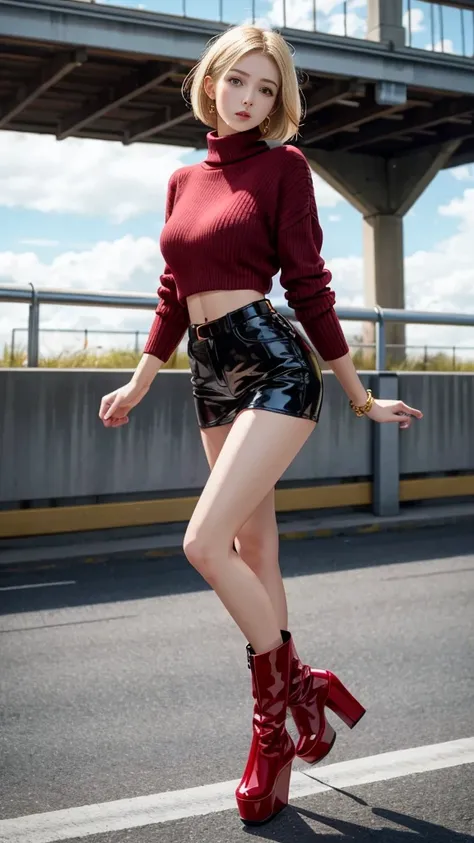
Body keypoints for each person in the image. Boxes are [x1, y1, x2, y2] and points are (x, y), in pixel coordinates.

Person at [98, 24, 423, 826]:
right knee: (253, 548)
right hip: (209, 372)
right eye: (237, 81)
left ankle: (272, 729)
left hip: (274, 362)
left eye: (266, 88)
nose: (248, 98)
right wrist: (141, 381)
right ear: (211, 82)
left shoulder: (284, 168)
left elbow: (310, 285)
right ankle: (299, 694)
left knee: (201, 543)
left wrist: (357, 395)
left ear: (278, 102)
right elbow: (175, 289)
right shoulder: (181, 180)